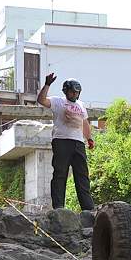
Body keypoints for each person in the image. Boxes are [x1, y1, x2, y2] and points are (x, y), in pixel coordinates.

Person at [37, 73, 95, 211]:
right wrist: (47, 84)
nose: (74, 94)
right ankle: (59, 207)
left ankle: (88, 208)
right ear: (66, 91)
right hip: (61, 141)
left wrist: (89, 138)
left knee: (82, 176)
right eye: (72, 91)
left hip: (78, 143)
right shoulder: (58, 101)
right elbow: (41, 100)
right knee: (60, 174)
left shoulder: (81, 105)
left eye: (77, 92)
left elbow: (84, 122)